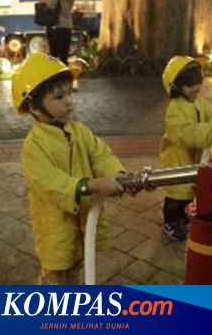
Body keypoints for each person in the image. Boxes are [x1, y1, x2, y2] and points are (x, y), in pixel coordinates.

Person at [13, 53, 129, 285]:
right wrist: (92, 185)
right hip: (55, 228)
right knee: (56, 274)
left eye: (70, 93)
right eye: (59, 97)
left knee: (76, 265)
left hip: (82, 221)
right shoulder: (34, 146)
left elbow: (100, 155)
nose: (69, 101)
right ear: (34, 108)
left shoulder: (79, 131)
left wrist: (119, 175)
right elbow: (51, 183)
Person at [159, 56, 212, 240]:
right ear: (176, 87)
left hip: (195, 160)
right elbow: (188, 134)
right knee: (176, 196)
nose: (196, 88)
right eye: (190, 84)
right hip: (178, 162)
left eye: (198, 83)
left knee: (189, 193)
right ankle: (170, 222)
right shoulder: (175, 109)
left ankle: (183, 219)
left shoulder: (200, 103)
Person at [40, 0, 75, 64]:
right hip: (53, 24)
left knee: (64, 56)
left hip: (66, 24)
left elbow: (68, 8)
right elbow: (51, 5)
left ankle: (64, 77)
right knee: (54, 56)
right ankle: (55, 77)